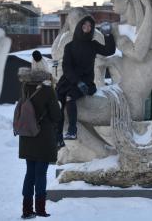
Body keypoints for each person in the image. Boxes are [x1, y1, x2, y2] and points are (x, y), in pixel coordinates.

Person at [56, 12, 115, 144]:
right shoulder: (69, 47)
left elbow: (108, 51)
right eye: (85, 25)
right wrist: (76, 81)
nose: (87, 27)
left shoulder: (93, 44)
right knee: (58, 103)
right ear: (80, 26)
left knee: (70, 97)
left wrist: (108, 34)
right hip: (69, 81)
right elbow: (66, 67)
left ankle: (72, 131)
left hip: (86, 83)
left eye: (90, 26)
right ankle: (58, 137)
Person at [18, 68, 62, 219]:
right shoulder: (48, 91)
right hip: (43, 137)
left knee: (29, 173)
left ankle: (27, 210)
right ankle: (41, 209)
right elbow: (56, 115)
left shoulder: (24, 88)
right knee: (40, 173)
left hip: (27, 136)